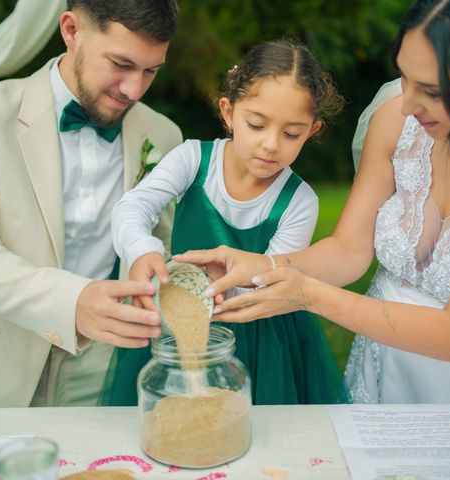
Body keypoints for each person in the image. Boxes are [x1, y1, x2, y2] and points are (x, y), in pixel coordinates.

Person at [176, 0, 450, 404]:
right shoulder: (397, 122)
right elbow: (350, 250)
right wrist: (264, 266)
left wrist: (307, 294)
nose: (407, 104)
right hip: (382, 366)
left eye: (433, 91)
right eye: (405, 78)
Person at [0, 0, 182, 413]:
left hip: (109, 376)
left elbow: (157, 249)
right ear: (71, 31)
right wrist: (72, 302)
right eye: (121, 64)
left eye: (150, 71)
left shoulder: (163, 135)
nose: (134, 89)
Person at [99, 40, 348, 406]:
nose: (270, 144)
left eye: (291, 133)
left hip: (261, 338)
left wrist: (228, 289)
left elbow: (269, 285)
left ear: (311, 131)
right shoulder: (193, 160)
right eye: (256, 124)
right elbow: (132, 207)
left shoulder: (298, 201)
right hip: (176, 317)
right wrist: (141, 250)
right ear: (229, 112)